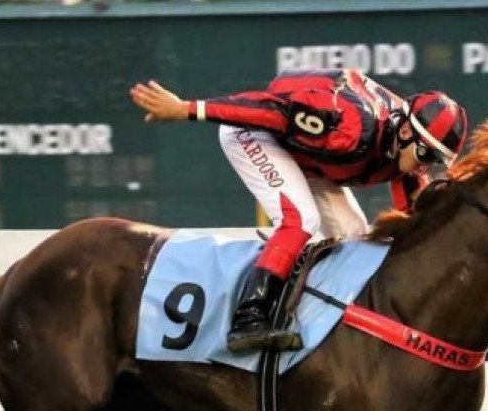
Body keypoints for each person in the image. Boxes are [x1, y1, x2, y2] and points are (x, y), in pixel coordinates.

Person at [130, 69, 468, 353]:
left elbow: (416, 225)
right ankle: (249, 318)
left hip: (306, 153)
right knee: (300, 220)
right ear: (407, 131)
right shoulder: (352, 126)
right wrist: (188, 109)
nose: (428, 167)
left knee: (354, 235)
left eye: (437, 161)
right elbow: (268, 111)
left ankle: (331, 319)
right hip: (257, 132)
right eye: (428, 156)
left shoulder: (405, 149)